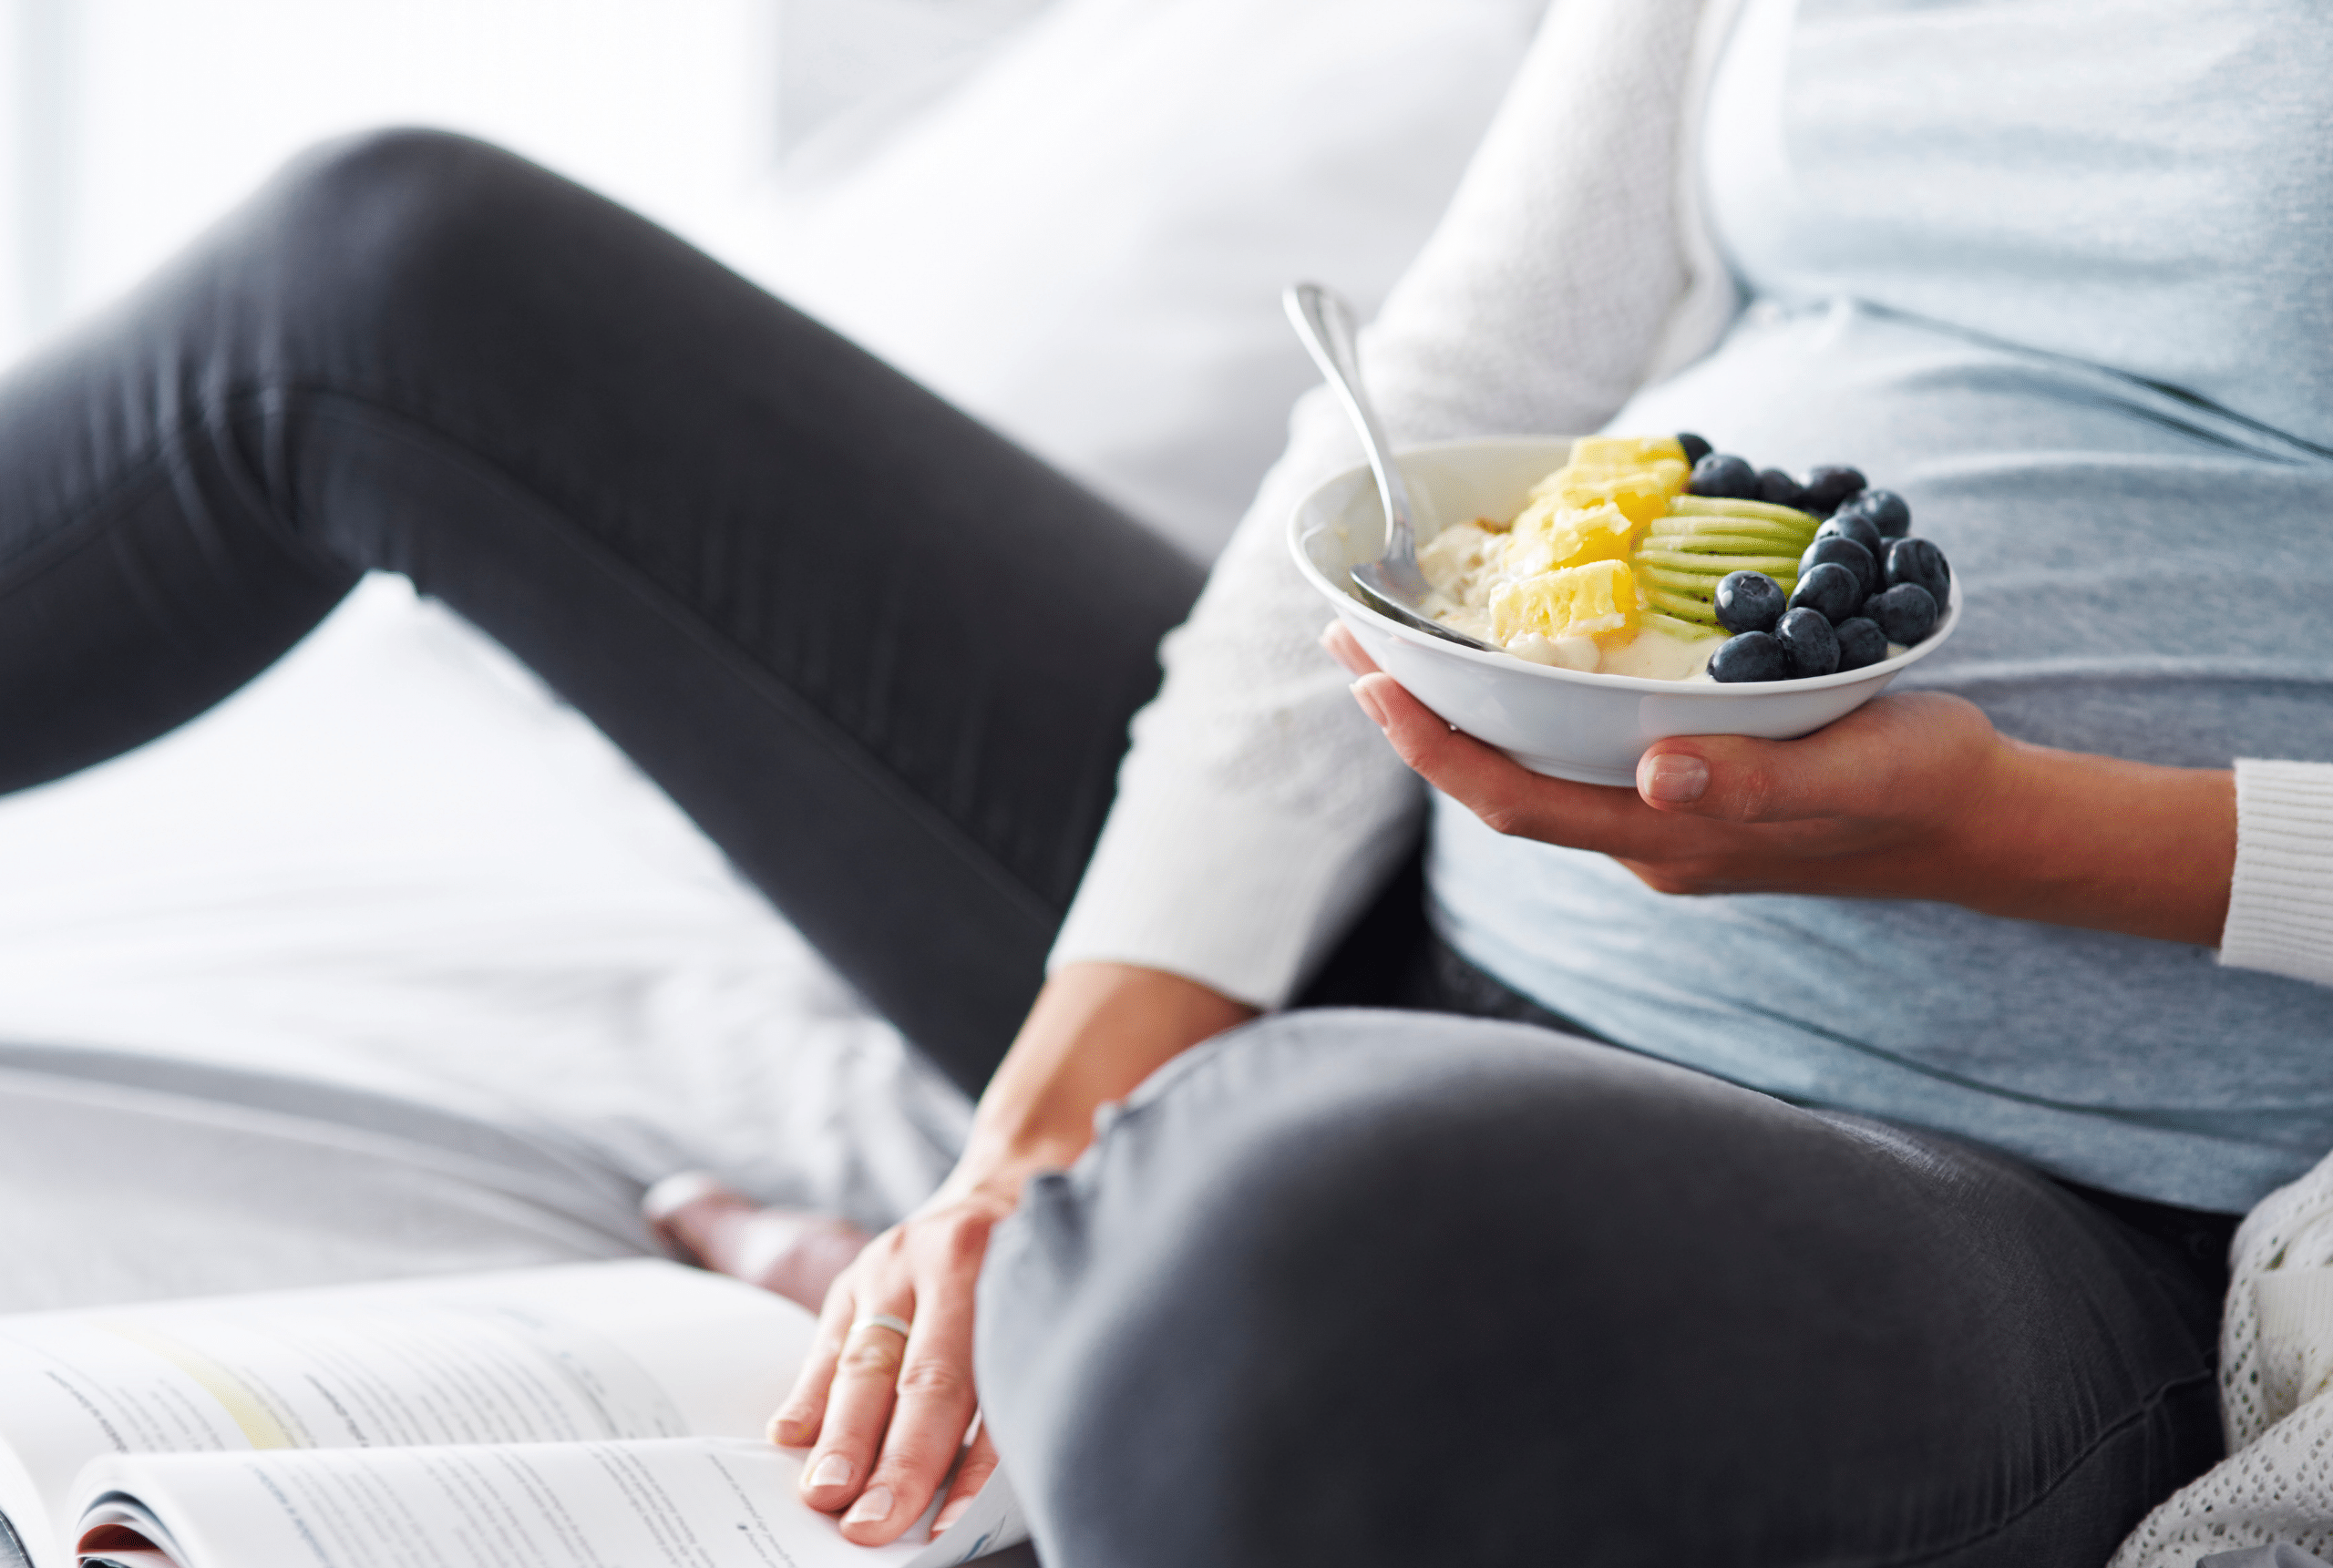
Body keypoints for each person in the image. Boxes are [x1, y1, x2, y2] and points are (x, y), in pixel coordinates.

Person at [4, 0, 2328, 1563]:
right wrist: (1034, 1137)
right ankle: (1098, 1235)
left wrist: (2004, 829)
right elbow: (1434, 391)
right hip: (1425, 882)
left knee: (1282, 1253)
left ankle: (1160, 1275)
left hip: (2048, 1188)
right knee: (393, 273)